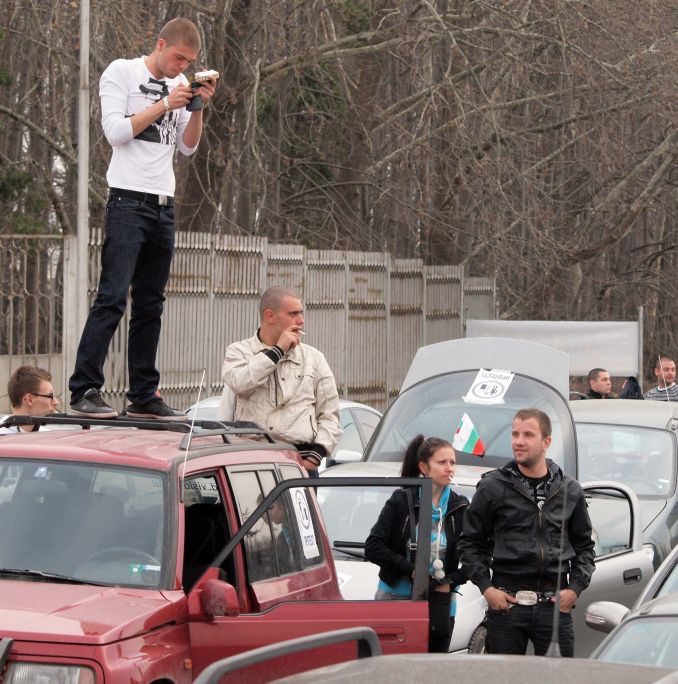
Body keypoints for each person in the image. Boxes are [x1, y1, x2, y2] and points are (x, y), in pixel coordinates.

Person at [68, 18, 217, 420]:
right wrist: (165, 104)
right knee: (113, 296)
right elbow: (115, 131)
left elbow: (187, 148)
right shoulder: (123, 72)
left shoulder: (181, 84)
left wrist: (197, 105)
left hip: (162, 203)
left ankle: (144, 393)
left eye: (188, 62)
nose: (180, 66)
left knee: (151, 303)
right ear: (161, 44)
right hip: (127, 200)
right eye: (177, 57)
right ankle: (84, 387)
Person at [459, 408, 595, 657]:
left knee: (560, 678)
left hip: (554, 607)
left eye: (528, 435)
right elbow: (470, 543)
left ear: (546, 442)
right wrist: (487, 589)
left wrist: (574, 588)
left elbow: (585, 547)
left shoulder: (569, 489)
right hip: (506, 607)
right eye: (515, 434)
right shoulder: (493, 486)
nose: (519, 442)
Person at [365, 435, 469, 653]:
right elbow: (373, 547)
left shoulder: (459, 506)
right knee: (393, 670)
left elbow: (476, 557)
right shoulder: (401, 500)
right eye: (442, 462)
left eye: (452, 462)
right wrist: (413, 571)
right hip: (395, 598)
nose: (449, 468)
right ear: (424, 467)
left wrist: (450, 581)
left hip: (440, 603)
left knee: (432, 670)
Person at [222, 286, 341, 474]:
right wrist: (277, 351)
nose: (301, 320)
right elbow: (240, 384)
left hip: (299, 463)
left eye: (301, 313)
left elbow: (330, 413)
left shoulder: (314, 358)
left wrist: (316, 454)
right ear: (270, 316)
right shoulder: (239, 352)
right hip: (251, 464)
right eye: (293, 314)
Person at [0, 366, 59, 434]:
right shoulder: (2, 436)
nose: (56, 402)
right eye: (50, 396)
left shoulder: (47, 436)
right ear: (30, 399)